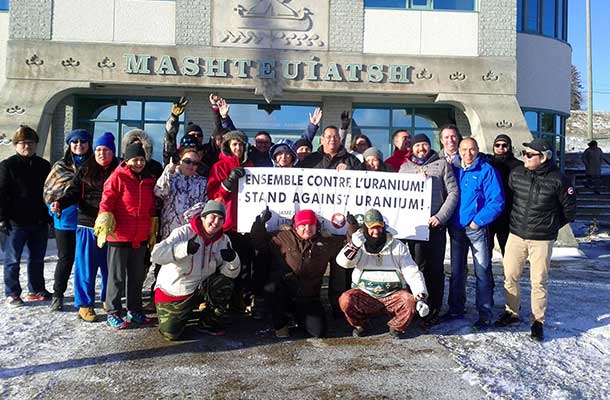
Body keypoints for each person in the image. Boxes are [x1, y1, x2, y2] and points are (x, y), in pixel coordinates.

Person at [495, 139, 576, 341]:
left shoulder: (560, 180)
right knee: (510, 276)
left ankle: (537, 321)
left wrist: (549, 226)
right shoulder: (517, 174)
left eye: (530, 154)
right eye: (524, 152)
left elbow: (569, 211)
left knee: (538, 281)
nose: (525, 157)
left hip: (541, 240)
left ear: (544, 157)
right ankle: (511, 312)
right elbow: (509, 199)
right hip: (516, 235)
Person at [251, 208, 351, 338]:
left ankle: (298, 317)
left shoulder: (327, 242)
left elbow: (348, 245)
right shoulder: (283, 237)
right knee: (272, 287)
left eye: (311, 225)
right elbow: (259, 242)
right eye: (302, 225)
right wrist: (260, 222)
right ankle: (280, 324)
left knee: (318, 331)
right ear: (296, 226)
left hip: (309, 297)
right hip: (285, 292)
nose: (307, 228)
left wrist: (352, 225)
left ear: (317, 226)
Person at [151, 200, 240, 340]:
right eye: (213, 217)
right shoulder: (184, 232)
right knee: (171, 334)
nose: (216, 222)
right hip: (176, 290)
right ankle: (184, 314)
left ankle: (208, 322)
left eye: (221, 218)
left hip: (202, 287)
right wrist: (183, 249)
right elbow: (156, 255)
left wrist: (233, 259)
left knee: (225, 283)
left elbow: (231, 274)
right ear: (203, 217)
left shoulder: (224, 240)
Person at [55, 131, 119, 321]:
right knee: (86, 268)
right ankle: (85, 304)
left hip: (112, 227)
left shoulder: (120, 169)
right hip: (87, 226)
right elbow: (73, 192)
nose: (101, 153)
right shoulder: (85, 169)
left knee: (110, 268)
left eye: (106, 150)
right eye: (98, 149)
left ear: (113, 152)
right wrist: (61, 202)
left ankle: (109, 299)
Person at [336, 209, 430, 337]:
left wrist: (421, 296)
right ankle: (361, 325)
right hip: (366, 295)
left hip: (392, 295)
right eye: (372, 228)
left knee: (409, 300)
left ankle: (396, 326)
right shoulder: (359, 244)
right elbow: (343, 263)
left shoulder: (398, 246)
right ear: (365, 228)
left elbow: (412, 271)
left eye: (379, 227)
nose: (376, 232)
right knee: (346, 300)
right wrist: (353, 246)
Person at [96, 143, 157, 330]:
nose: (138, 163)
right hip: (119, 236)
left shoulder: (149, 180)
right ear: (126, 160)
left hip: (140, 235)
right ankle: (113, 311)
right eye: (134, 159)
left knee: (137, 276)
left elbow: (151, 205)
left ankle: (134, 310)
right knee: (116, 277)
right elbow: (107, 199)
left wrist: (153, 224)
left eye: (141, 159)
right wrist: (104, 215)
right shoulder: (118, 177)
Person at [399, 134, 459, 325]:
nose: (421, 148)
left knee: (435, 269)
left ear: (430, 146)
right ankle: (417, 306)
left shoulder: (441, 165)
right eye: (417, 145)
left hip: (434, 226)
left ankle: (434, 308)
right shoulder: (405, 168)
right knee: (416, 267)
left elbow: (453, 193)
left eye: (424, 144)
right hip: (414, 228)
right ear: (412, 148)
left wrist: (440, 217)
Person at [447, 137, 504, 330]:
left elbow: (496, 202)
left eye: (472, 150)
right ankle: (455, 309)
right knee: (456, 272)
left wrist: (477, 221)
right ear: (459, 151)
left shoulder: (486, 171)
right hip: (456, 229)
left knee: (482, 271)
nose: (468, 153)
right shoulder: (454, 170)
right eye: (464, 150)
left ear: (478, 150)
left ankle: (485, 314)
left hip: (476, 229)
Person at [0, 125, 51, 306]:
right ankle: (12, 292)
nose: (26, 146)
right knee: (13, 259)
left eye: (30, 142)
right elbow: (1, 193)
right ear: (16, 145)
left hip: (39, 220)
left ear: (36, 145)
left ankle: (36, 289)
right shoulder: (7, 165)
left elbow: (50, 191)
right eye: (22, 143)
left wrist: (49, 216)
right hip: (15, 222)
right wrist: (2, 218)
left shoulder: (43, 165)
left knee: (37, 258)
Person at [44, 129, 93, 311]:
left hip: (88, 220)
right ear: (69, 145)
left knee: (84, 260)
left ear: (89, 144)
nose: (79, 145)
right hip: (65, 220)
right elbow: (49, 191)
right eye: (75, 142)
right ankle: (58, 294)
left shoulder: (95, 165)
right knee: (65, 258)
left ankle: (85, 298)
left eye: (83, 142)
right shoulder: (60, 166)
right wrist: (54, 207)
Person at [207, 130, 255, 310]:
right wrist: (229, 181)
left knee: (245, 265)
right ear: (228, 146)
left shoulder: (251, 166)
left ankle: (241, 300)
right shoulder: (219, 166)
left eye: (241, 144)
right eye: (234, 144)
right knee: (225, 265)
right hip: (227, 225)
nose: (238, 148)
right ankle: (221, 301)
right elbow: (214, 197)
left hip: (246, 225)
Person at [486, 134, 522, 256]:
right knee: (486, 251)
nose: (501, 148)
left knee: (508, 252)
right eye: (497, 145)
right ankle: (487, 275)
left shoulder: (518, 166)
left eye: (504, 145)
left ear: (509, 147)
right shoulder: (488, 163)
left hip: (508, 214)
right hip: (490, 213)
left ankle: (509, 276)